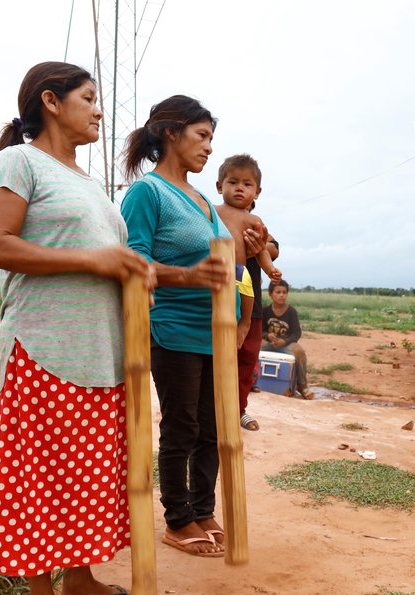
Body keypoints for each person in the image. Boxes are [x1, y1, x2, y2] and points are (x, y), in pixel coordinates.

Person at [0, 61, 155, 595]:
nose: (99, 109)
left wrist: (138, 271)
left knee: (83, 476)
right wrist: (96, 263)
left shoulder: (89, 184)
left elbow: (110, 258)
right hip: (45, 348)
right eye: (89, 98)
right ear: (51, 102)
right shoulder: (18, 162)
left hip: (99, 352)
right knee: (39, 480)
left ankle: (78, 581)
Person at [120, 95, 243, 558]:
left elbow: (219, 260)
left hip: (216, 330)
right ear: (171, 133)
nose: (209, 147)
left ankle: (202, 509)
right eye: (202, 135)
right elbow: (135, 261)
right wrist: (188, 277)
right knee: (182, 425)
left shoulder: (201, 200)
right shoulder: (146, 193)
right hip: (173, 327)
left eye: (211, 138)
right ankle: (177, 519)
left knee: (213, 428)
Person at [213, 153, 281, 431]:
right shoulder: (210, 213)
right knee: (217, 356)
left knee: (246, 358)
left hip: (247, 295)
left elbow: (270, 249)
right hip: (216, 295)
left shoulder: (256, 220)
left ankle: (238, 409)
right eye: (233, 182)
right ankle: (215, 410)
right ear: (220, 186)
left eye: (247, 184)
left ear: (257, 191)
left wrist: (267, 264)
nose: (239, 188)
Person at [261, 280, 314, 399]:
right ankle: (251, 380)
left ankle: (302, 386)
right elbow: (260, 329)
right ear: (270, 294)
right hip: (269, 342)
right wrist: (267, 336)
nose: (281, 295)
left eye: (284, 292)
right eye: (278, 292)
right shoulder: (265, 311)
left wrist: (284, 341)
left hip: (285, 344)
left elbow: (296, 333)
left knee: (299, 352)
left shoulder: (291, 312)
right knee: (254, 347)